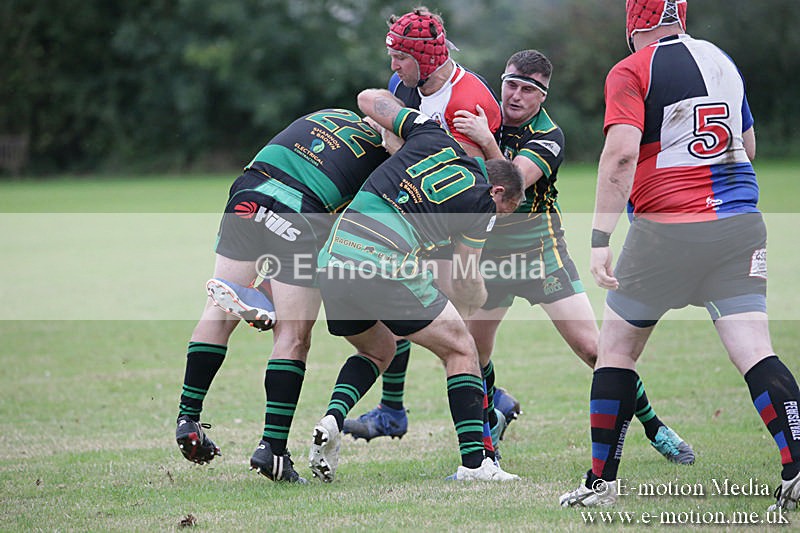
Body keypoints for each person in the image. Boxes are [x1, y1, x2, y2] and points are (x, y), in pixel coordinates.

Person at [560, 0, 800, 509]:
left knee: (617, 351)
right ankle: (797, 467)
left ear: (633, 23)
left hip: (666, 231)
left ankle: (600, 483)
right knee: (755, 350)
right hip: (739, 226)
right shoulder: (721, 59)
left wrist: (600, 239)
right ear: (680, 18)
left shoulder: (631, 69)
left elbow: (621, 154)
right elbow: (748, 145)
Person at [452, 49, 694, 463]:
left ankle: (656, 429)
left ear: (543, 96)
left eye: (529, 90)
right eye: (511, 84)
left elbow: (509, 185)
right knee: (471, 354)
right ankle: (490, 434)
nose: (515, 96)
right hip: (489, 257)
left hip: (540, 254)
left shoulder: (549, 137)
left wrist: (487, 142)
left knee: (597, 351)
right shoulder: (482, 114)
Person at [307, 88, 525, 483]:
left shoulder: (429, 133)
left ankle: (332, 419)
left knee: (379, 349)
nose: (500, 216)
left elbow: (369, 97)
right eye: (505, 210)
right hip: (383, 260)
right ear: (497, 191)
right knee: (462, 348)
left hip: (335, 256)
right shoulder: (482, 203)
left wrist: (394, 127)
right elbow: (465, 277)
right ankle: (476, 466)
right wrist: (477, 299)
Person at [174, 108, 388, 484]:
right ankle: (272, 448)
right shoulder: (387, 155)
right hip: (301, 209)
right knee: (293, 335)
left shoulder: (330, 113)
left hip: (249, 189)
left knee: (219, 304)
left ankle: (187, 417)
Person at [343, 5, 523, 444]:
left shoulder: (470, 99)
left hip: (457, 229)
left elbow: (484, 182)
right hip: (412, 218)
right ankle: (394, 411)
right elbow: (387, 130)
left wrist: (482, 141)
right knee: (396, 315)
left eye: (401, 57)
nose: (393, 66)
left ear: (425, 59)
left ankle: (487, 416)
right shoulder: (400, 86)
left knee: (455, 333)